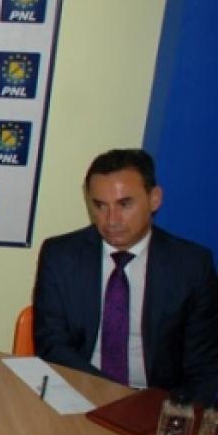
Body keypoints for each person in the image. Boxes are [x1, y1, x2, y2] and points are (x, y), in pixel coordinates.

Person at [34, 149, 218, 401]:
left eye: (124, 204)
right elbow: (52, 345)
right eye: (100, 206)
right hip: (81, 391)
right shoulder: (60, 255)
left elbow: (204, 365)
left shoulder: (191, 265)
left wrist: (168, 410)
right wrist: (114, 398)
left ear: (154, 199)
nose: (112, 220)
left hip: (157, 402)